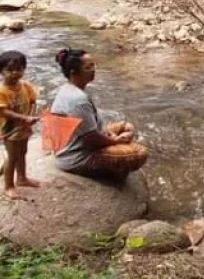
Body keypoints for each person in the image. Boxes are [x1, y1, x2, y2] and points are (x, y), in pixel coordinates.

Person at [50, 49, 148, 181]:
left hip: (77, 142)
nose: (93, 70)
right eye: (88, 67)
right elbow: (90, 139)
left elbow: (89, 130)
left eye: (93, 65)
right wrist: (115, 141)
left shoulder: (68, 88)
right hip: (76, 155)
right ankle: (112, 174)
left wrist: (111, 136)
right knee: (140, 153)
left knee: (126, 126)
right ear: (73, 72)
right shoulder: (77, 99)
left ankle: (114, 163)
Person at [0, 50, 41, 199]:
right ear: (1, 71)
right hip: (9, 129)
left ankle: (22, 178)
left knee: (22, 152)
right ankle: (9, 186)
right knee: (12, 157)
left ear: (24, 68)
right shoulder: (2, 90)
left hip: (24, 127)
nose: (14, 73)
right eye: (9, 70)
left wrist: (32, 116)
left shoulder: (26, 85)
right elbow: (4, 112)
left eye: (19, 69)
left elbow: (32, 101)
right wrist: (24, 118)